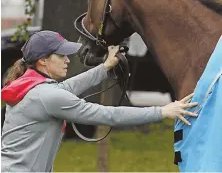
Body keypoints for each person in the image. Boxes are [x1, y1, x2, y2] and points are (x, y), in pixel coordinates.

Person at [1, 30, 198, 172]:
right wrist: (162, 112)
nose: (68, 60)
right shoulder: (47, 96)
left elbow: (67, 88)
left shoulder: (29, 86)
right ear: (42, 60)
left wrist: (105, 68)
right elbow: (108, 115)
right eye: (61, 55)